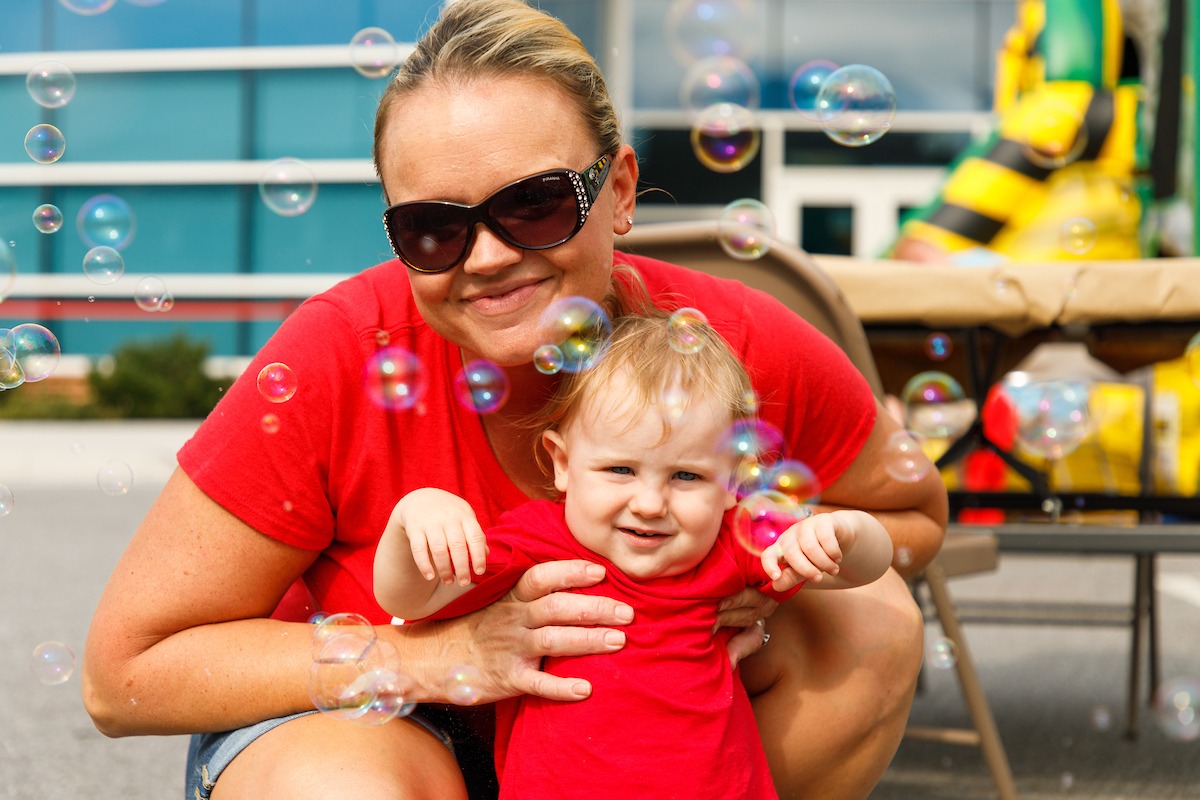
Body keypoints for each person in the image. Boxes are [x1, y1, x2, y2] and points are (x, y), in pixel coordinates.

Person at [81, 1, 948, 799]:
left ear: (618, 192)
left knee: (868, 620)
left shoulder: (728, 344)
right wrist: (438, 656)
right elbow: (122, 676)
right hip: (379, 720)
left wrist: (776, 573)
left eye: (535, 204)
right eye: (434, 227)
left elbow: (912, 512)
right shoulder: (340, 351)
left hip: (643, 729)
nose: (488, 257)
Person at [374, 312, 896, 799]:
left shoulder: (732, 543)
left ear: (732, 483)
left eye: (686, 476)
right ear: (562, 463)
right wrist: (414, 515)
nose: (649, 504)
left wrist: (843, 533)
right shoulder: (538, 542)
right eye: (620, 470)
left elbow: (866, 569)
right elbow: (410, 601)